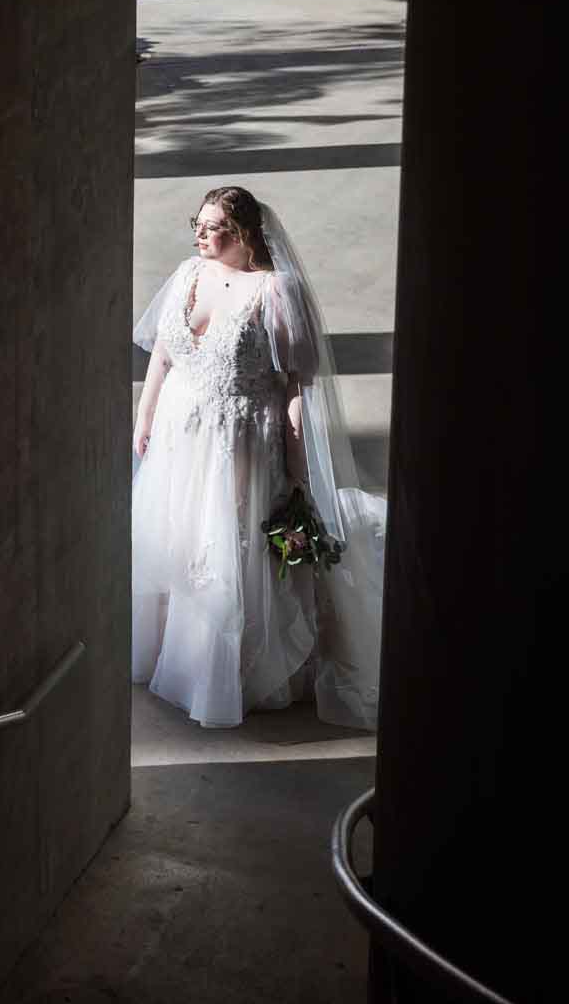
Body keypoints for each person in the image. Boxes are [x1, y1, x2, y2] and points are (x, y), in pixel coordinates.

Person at [131, 186, 385, 731]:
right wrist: (145, 416)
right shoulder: (186, 275)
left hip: (240, 440)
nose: (199, 234)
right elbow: (163, 353)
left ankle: (241, 672)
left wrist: (296, 460)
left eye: (212, 225)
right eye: (195, 223)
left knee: (227, 543)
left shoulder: (274, 291)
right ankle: (174, 655)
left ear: (243, 233)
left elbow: (296, 377)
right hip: (182, 435)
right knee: (180, 537)